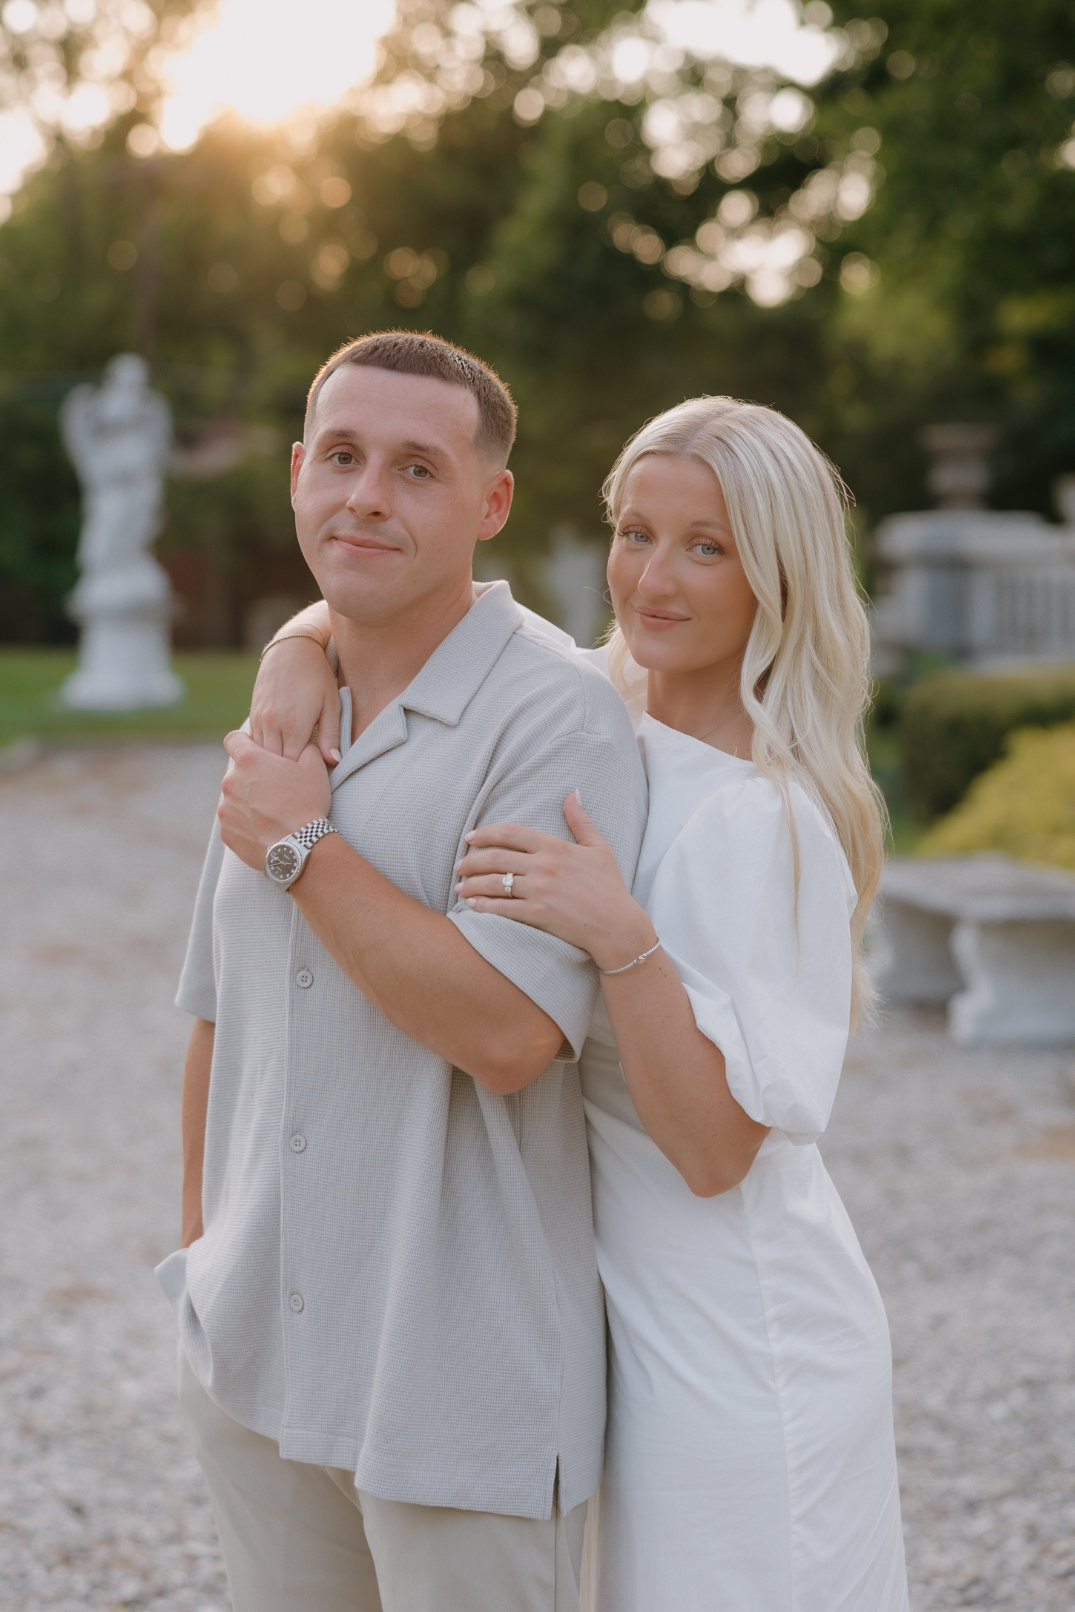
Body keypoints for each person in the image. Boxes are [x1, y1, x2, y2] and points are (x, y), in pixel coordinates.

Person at [255, 394, 909, 1610]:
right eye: (633, 531)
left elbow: (716, 1154)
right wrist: (298, 650)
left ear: (777, 574)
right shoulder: (591, 710)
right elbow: (394, 604)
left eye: (705, 546)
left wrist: (625, 946)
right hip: (584, 1328)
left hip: (731, 1350)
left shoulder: (769, 822)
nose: (651, 578)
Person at [157, 330, 647, 1612]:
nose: (368, 493)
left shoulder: (553, 715)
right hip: (258, 1363)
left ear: (490, 502)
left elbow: (504, 1033)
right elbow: (218, 1018)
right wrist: (205, 1268)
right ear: (297, 476)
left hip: (455, 1390)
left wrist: (301, 848)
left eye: (417, 467)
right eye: (342, 456)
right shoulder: (285, 716)